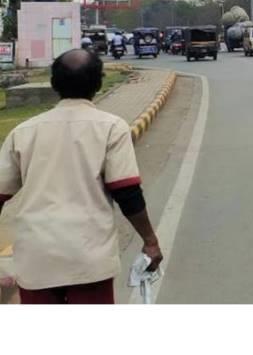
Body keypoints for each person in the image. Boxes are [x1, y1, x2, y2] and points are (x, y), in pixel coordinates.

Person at [0, 49, 162, 304]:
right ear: (98, 83)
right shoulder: (111, 127)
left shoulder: (23, 132)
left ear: (54, 83)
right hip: (88, 260)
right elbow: (127, 192)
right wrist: (150, 241)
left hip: (36, 259)